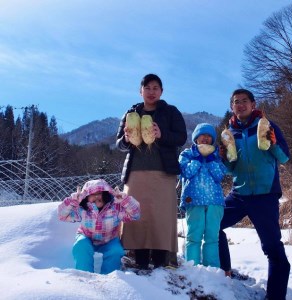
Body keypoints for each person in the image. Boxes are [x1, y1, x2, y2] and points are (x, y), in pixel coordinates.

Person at [218, 89, 291, 300]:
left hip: (264, 195)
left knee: (272, 248)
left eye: (244, 101)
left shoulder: (267, 125)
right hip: (239, 194)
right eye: (236, 102)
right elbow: (229, 169)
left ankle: (276, 297)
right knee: (212, 225)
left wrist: (273, 142)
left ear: (252, 104)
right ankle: (225, 275)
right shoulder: (229, 132)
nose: (240, 105)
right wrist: (224, 158)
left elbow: (284, 158)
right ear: (232, 107)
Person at [116, 73, 187, 269]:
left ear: (161, 92)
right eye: (147, 88)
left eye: (156, 88)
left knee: (161, 217)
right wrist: (126, 140)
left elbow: (181, 137)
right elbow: (119, 144)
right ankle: (138, 260)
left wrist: (162, 135)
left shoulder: (171, 112)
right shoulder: (130, 113)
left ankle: (159, 262)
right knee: (136, 215)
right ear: (141, 91)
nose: (151, 92)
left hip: (163, 172)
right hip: (136, 173)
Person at [58, 179, 141, 274]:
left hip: (109, 240)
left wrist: (125, 201)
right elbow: (62, 216)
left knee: (115, 251)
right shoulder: (82, 210)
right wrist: (72, 201)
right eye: (92, 194)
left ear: (106, 194)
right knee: (80, 246)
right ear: (86, 197)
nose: (96, 196)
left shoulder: (115, 208)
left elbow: (135, 215)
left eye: (99, 193)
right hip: (87, 237)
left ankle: (110, 278)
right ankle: (84, 275)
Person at [179, 123, 227, 268]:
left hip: (215, 202)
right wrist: (197, 159)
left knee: (212, 237)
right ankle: (192, 268)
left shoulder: (218, 155)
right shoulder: (187, 154)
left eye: (209, 136)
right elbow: (186, 173)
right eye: (202, 135)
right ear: (196, 138)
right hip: (194, 201)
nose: (205, 138)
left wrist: (212, 160)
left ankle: (212, 270)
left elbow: (219, 176)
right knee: (194, 236)